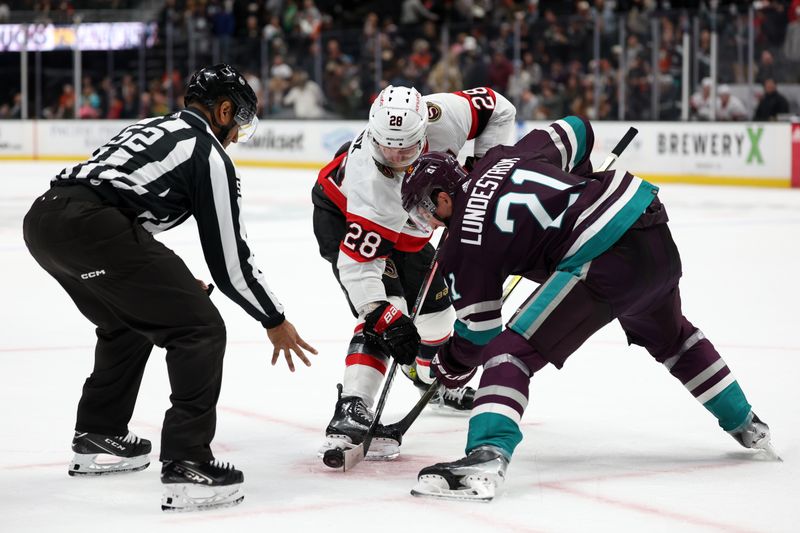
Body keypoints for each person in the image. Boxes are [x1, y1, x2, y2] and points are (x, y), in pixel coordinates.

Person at [400, 116, 776, 501]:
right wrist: (577, 184)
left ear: (443, 197)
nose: (426, 223)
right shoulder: (499, 157)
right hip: (648, 225)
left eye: (423, 211)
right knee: (673, 337)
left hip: (601, 257)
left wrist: (450, 365)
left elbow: (479, 332)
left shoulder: (461, 242)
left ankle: (486, 456)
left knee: (508, 354)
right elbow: (576, 129)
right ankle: (746, 422)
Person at [22, 64, 317, 511]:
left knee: (127, 322)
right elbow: (229, 261)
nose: (237, 136)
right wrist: (273, 318)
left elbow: (121, 201)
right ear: (223, 111)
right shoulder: (209, 154)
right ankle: (187, 462)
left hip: (45, 219)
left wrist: (163, 283)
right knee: (200, 329)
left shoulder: (152, 125)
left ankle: (100, 434)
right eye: (238, 123)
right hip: (93, 227)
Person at [311, 85, 516, 461]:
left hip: (413, 223)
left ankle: (428, 380)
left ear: (424, 131)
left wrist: (484, 166)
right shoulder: (372, 186)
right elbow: (360, 268)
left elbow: (499, 108)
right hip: (344, 214)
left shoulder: (446, 116)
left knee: (438, 320)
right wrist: (382, 314)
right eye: (387, 148)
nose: (395, 158)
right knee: (390, 313)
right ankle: (353, 405)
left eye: (406, 149)